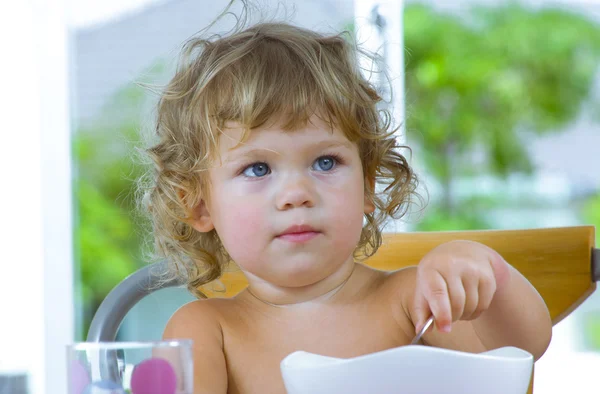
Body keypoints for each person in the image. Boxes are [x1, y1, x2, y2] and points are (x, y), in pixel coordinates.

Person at [139, 4, 552, 393]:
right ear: (199, 205)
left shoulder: (412, 301)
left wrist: (488, 274)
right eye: (258, 169)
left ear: (368, 185)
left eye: (325, 161)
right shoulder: (206, 330)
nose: (297, 194)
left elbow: (519, 352)